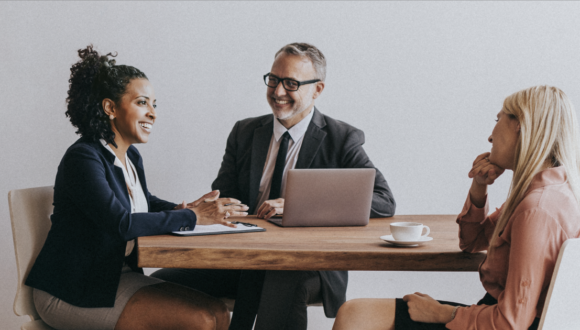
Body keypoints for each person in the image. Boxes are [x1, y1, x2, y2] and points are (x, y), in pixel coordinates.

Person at [151, 42, 396, 330]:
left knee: (282, 278)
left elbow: (383, 201)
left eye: (291, 83)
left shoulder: (342, 139)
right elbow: (224, 195)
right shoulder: (244, 132)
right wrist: (214, 209)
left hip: (309, 263)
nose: (278, 92)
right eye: (274, 79)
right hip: (244, 257)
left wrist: (300, 205)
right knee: (158, 285)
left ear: (317, 90)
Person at [25, 45, 249, 330]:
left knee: (218, 311)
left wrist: (189, 209)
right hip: (71, 290)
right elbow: (121, 223)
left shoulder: (130, 155)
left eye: (155, 104)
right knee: (201, 320)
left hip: (113, 277)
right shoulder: (83, 158)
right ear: (110, 107)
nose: (152, 113)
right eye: (143, 102)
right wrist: (193, 217)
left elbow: (145, 202)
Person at [332, 85, 580, 330]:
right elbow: (471, 242)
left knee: (355, 316)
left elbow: (510, 322)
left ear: (520, 125)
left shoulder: (536, 210)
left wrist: (444, 313)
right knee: (357, 313)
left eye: (498, 119)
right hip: (494, 315)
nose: (491, 136)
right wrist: (479, 186)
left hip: (498, 322)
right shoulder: (549, 191)